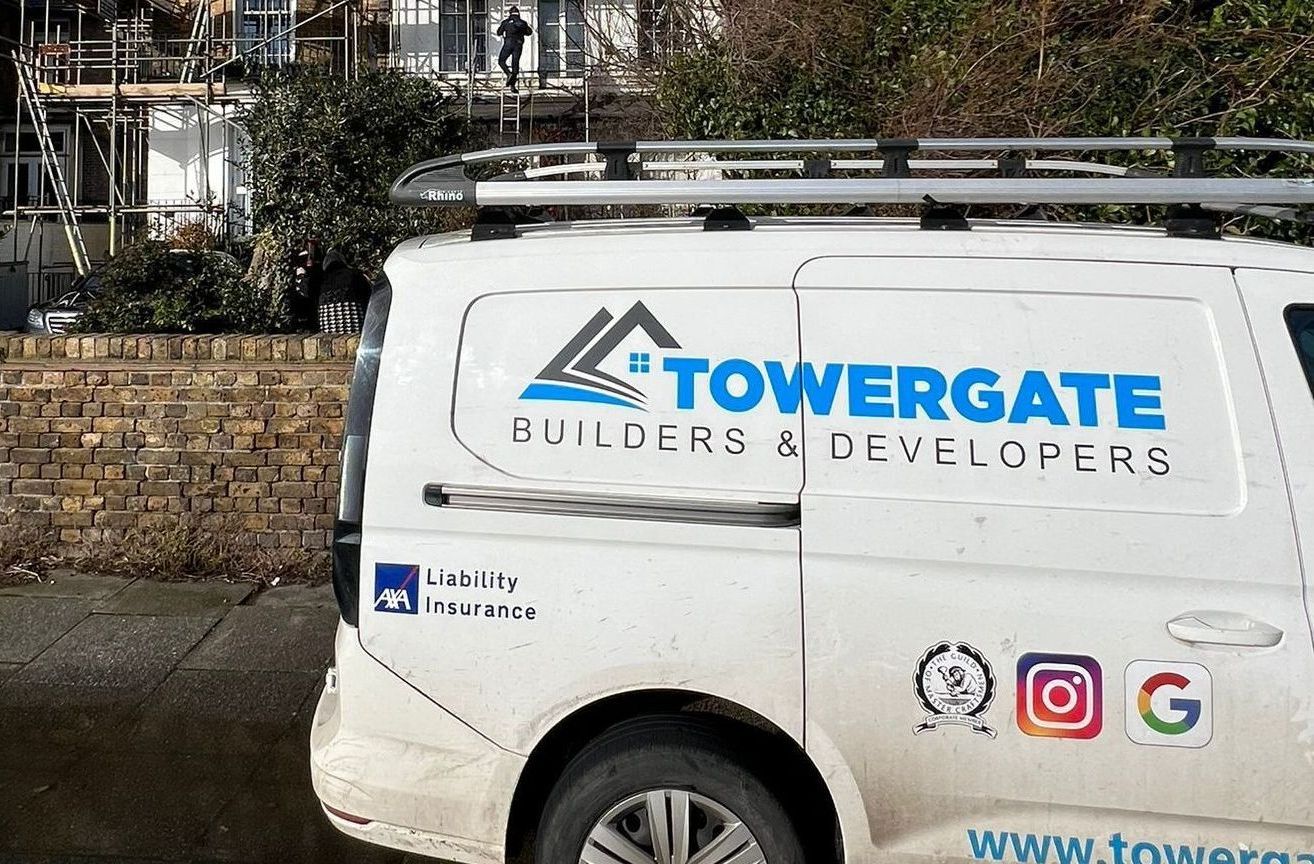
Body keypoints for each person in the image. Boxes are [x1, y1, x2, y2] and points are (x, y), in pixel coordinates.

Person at [496, 5, 532, 92]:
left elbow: (499, 32)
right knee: (515, 64)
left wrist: (506, 29)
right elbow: (529, 32)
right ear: (518, 13)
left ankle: (508, 73)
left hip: (508, 44)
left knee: (501, 61)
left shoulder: (506, 22)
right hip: (518, 44)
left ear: (510, 13)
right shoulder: (523, 23)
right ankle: (513, 86)